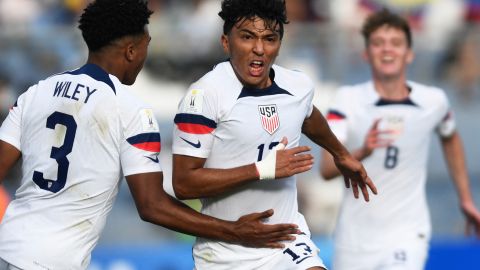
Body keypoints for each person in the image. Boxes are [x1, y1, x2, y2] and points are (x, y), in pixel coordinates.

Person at [0, 1, 306, 269]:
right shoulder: (130, 109)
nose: (147, 53)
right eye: (147, 43)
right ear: (132, 50)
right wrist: (234, 231)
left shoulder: (35, 93)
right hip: (51, 261)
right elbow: (152, 205)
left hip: (8, 245)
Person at [171, 0, 377, 269]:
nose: (259, 49)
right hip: (226, 252)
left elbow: (308, 115)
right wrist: (263, 169)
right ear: (226, 41)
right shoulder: (204, 97)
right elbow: (184, 184)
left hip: (286, 241)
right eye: (247, 37)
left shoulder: (297, 86)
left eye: (270, 38)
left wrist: (341, 154)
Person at [320, 9, 480, 270]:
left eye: (396, 43)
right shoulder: (347, 99)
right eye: (378, 43)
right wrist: (362, 151)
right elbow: (326, 170)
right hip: (355, 239)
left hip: (407, 234)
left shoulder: (433, 101)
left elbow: (450, 137)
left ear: (410, 54)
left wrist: (465, 198)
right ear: (365, 53)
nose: (387, 50)